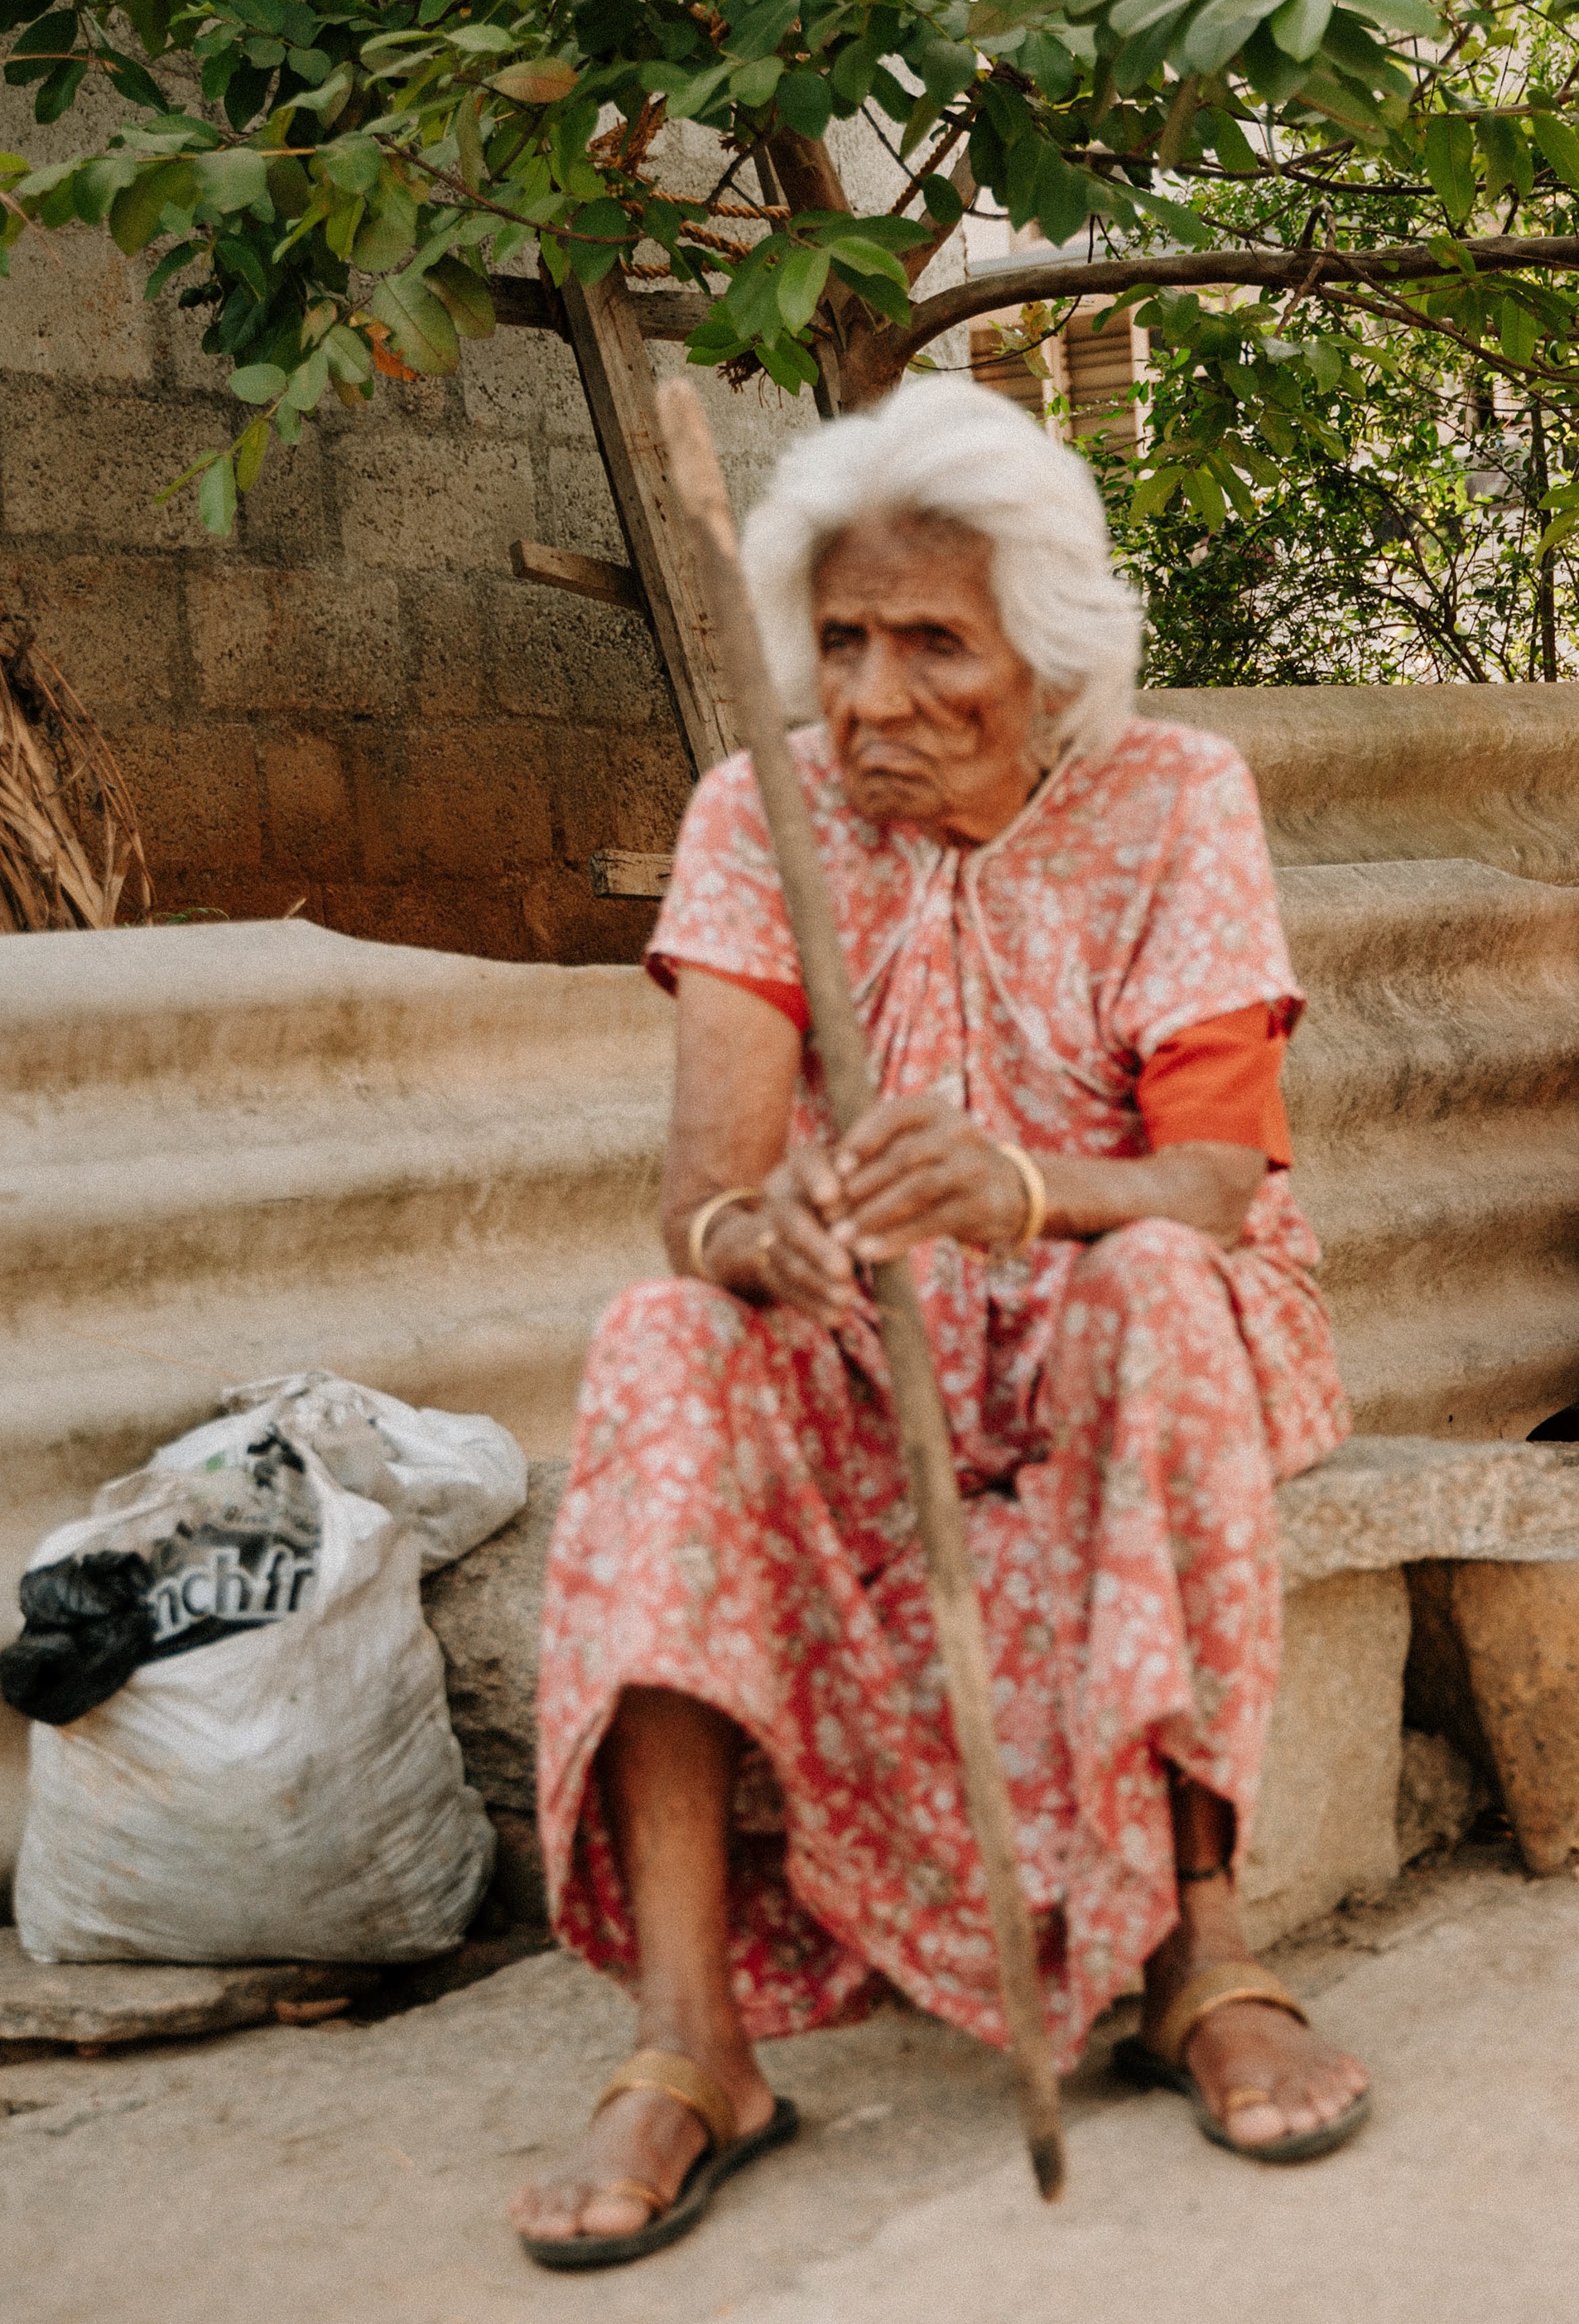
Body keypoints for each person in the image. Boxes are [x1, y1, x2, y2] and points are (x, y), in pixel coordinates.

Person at [509, 379, 1371, 2270]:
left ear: (1046, 658)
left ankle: (1202, 1950)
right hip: (868, 1335)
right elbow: (705, 1200)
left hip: (1127, 1290)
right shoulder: (760, 809)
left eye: (931, 643)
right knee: (659, 1339)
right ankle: (689, 2045)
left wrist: (1025, 1191)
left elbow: (1217, 1184)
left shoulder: (1174, 796)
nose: (874, 696)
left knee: (1151, 1286)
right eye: (839, 640)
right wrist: (773, 1234)